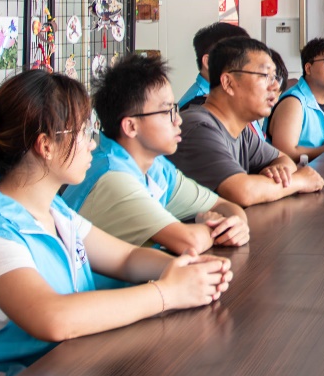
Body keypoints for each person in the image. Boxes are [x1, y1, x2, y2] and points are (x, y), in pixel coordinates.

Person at [0, 70, 232, 376]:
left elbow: (124, 257)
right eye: (84, 132)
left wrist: (184, 270)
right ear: (45, 145)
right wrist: (167, 293)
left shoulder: (50, 207)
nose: (93, 143)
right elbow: (54, 318)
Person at [63, 53, 250, 259]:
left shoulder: (155, 166)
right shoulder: (113, 178)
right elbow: (189, 242)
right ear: (131, 126)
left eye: (175, 109)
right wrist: (212, 227)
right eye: (167, 111)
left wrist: (237, 224)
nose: (178, 120)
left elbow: (222, 205)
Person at [169, 36, 324, 207]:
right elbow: (243, 192)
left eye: (274, 77)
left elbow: (284, 160)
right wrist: (300, 181)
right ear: (228, 83)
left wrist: (277, 174)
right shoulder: (199, 127)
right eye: (265, 76)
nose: (274, 86)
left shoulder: (240, 130)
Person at [267, 37, 324, 162]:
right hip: (291, 172)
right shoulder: (293, 103)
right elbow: (285, 153)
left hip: (320, 167)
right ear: (308, 68)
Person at [177, 21, 248, 108]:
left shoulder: (229, 96)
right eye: (238, 59)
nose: (246, 67)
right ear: (209, 62)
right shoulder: (197, 106)